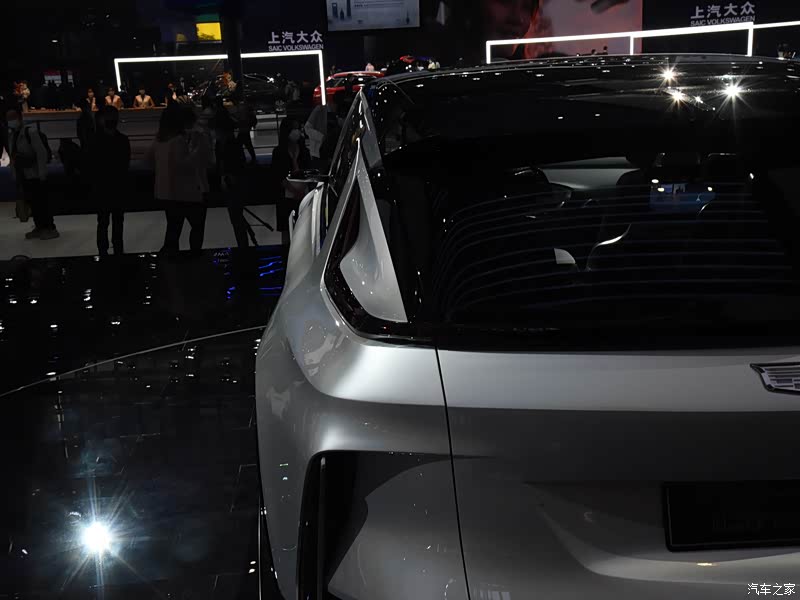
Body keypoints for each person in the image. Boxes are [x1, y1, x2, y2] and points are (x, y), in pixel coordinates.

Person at [145, 106, 211, 254]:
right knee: (196, 226)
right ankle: (193, 256)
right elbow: (186, 164)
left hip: (167, 193)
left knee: (173, 228)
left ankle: (170, 258)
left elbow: (148, 161)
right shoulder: (179, 140)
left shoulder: (160, 140)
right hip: (187, 192)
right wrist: (197, 150)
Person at [6, 108, 58, 239]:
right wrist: (15, 174)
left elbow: (41, 153)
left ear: (19, 118)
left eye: (12, 118)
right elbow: (13, 156)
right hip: (23, 174)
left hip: (35, 173)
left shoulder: (30, 132)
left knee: (41, 202)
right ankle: (39, 227)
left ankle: (50, 228)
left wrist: (42, 173)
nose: (11, 121)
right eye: (8, 119)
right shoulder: (12, 135)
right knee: (32, 202)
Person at [87, 106, 130, 256]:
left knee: (105, 221)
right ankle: (114, 250)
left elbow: (91, 166)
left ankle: (106, 250)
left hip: (104, 186)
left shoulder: (95, 140)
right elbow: (125, 165)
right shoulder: (122, 140)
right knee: (113, 221)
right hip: (114, 186)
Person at [214, 100, 253, 248]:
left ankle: (243, 245)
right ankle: (243, 244)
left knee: (236, 218)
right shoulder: (227, 144)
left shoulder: (227, 145)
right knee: (236, 218)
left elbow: (234, 166)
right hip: (232, 184)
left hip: (234, 185)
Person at [272, 118, 310, 245]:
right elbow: (278, 175)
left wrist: (301, 190)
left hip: (303, 195)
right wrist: (293, 190)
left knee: (303, 230)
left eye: (298, 128)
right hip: (285, 197)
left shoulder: (304, 151)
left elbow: (309, 172)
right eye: (294, 128)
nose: (297, 132)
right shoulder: (278, 152)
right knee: (286, 231)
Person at [232, 92, 258, 165]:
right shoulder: (243, 106)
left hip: (243, 129)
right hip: (245, 128)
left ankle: (243, 159)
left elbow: (242, 118)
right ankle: (250, 158)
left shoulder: (241, 107)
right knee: (247, 144)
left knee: (240, 145)